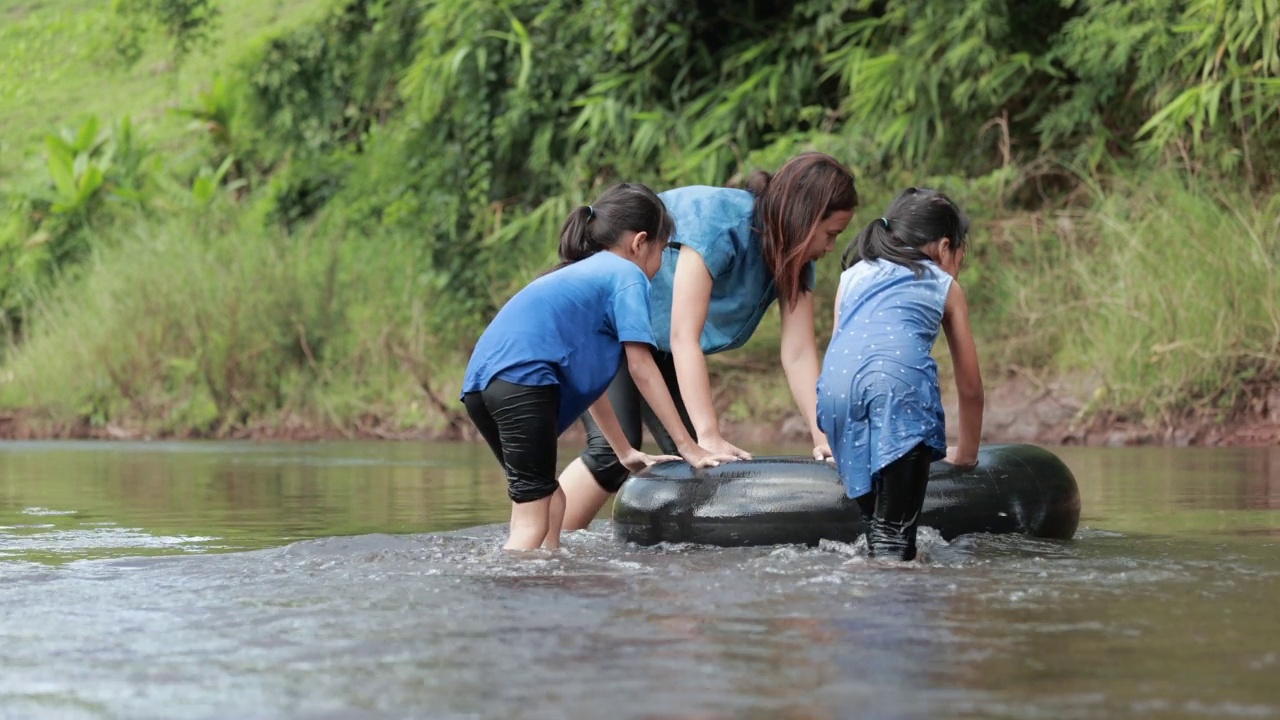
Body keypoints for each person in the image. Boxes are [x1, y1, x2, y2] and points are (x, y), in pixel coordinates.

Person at [558, 152, 859, 531]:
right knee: (612, 453)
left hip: (659, 339)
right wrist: (709, 435)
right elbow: (685, 336)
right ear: (806, 218)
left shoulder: (795, 259)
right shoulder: (721, 222)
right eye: (831, 234)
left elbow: (798, 353)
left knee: (695, 464)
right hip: (610, 321)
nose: (831, 247)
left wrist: (824, 437)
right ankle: (545, 556)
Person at [460, 183, 735, 551]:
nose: (661, 265)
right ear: (640, 243)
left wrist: (623, 451)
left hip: (482, 386)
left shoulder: (585, 276)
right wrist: (688, 446)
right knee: (530, 522)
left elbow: (592, 387)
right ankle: (505, 603)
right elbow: (641, 367)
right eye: (663, 252)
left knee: (550, 498)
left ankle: (547, 580)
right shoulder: (627, 275)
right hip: (521, 381)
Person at [817, 187, 984, 561]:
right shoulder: (943, 284)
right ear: (944, 248)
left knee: (876, 526)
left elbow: (843, 353)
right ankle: (896, 608)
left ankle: (865, 598)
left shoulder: (852, 277)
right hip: (899, 393)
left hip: (834, 396)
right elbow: (970, 386)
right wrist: (967, 455)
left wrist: (831, 435)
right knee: (894, 537)